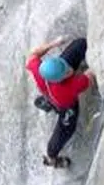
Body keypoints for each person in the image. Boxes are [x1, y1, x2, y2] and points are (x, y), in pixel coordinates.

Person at [26, 35, 95, 168]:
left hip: (49, 87)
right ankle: (51, 157)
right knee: (66, 130)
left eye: (65, 67)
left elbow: (33, 55)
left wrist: (54, 43)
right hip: (66, 105)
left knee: (80, 44)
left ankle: (47, 102)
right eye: (66, 72)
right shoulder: (68, 88)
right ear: (59, 80)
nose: (70, 70)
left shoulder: (41, 69)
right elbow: (90, 76)